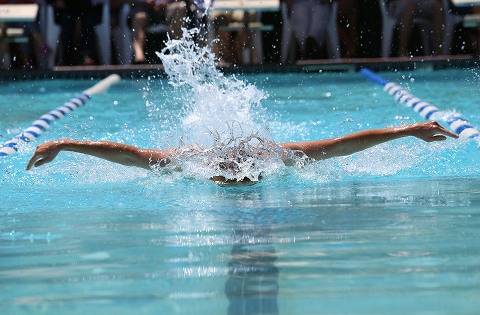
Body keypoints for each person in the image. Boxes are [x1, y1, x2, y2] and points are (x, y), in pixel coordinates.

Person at [26, 121, 458, 185]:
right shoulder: (189, 162)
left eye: (241, 166)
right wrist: (63, 143)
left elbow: (345, 145)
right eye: (230, 167)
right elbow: (130, 154)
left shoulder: (276, 157)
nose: (236, 173)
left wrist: (409, 130)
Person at [110, 0, 193, 64]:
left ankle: (180, 55)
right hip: (142, 8)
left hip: (168, 7)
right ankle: (139, 58)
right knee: (139, 18)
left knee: (180, 9)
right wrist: (145, 3)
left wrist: (166, 2)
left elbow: (185, 1)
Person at [46, 0, 103, 65]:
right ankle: (66, 58)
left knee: (88, 22)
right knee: (67, 21)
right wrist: (54, 1)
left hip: (86, 9)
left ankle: (86, 56)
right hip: (65, 10)